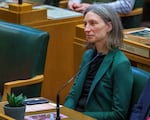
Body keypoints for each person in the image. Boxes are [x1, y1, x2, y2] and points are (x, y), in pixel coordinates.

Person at [64, 5, 133, 120]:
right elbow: (73, 94)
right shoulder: (88, 56)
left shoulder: (120, 64)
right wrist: (64, 113)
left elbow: (119, 114)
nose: (86, 29)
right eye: (85, 24)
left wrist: (79, 117)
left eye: (93, 23)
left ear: (109, 26)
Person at [68, 0, 135, 14]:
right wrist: (74, 3)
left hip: (106, 16)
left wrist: (94, 7)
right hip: (78, 12)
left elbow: (126, 6)